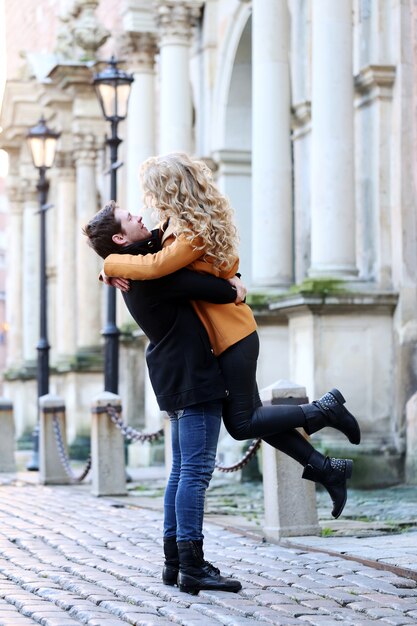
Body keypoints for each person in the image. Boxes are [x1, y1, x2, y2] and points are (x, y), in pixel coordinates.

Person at [99, 153, 361, 524]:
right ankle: (326, 468)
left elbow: (156, 268)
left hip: (233, 334)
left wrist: (110, 263)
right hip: (223, 336)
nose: (148, 203)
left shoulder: (191, 233)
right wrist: (106, 266)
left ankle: (325, 411)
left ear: (169, 189)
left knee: (243, 423)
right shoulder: (175, 225)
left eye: (152, 192)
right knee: (250, 420)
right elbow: (148, 256)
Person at [84, 208, 243, 595]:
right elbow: (214, 289)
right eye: (129, 217)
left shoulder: (136, 268)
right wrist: (235, 285)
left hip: (174, 374)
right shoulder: (150, 273)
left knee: (181, 472)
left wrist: (105, 264)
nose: (141, 216)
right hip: (192, 375)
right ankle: (192, 565)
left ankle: (175, 562)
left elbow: (158, 239)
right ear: (121, 239)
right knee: (196, 471)